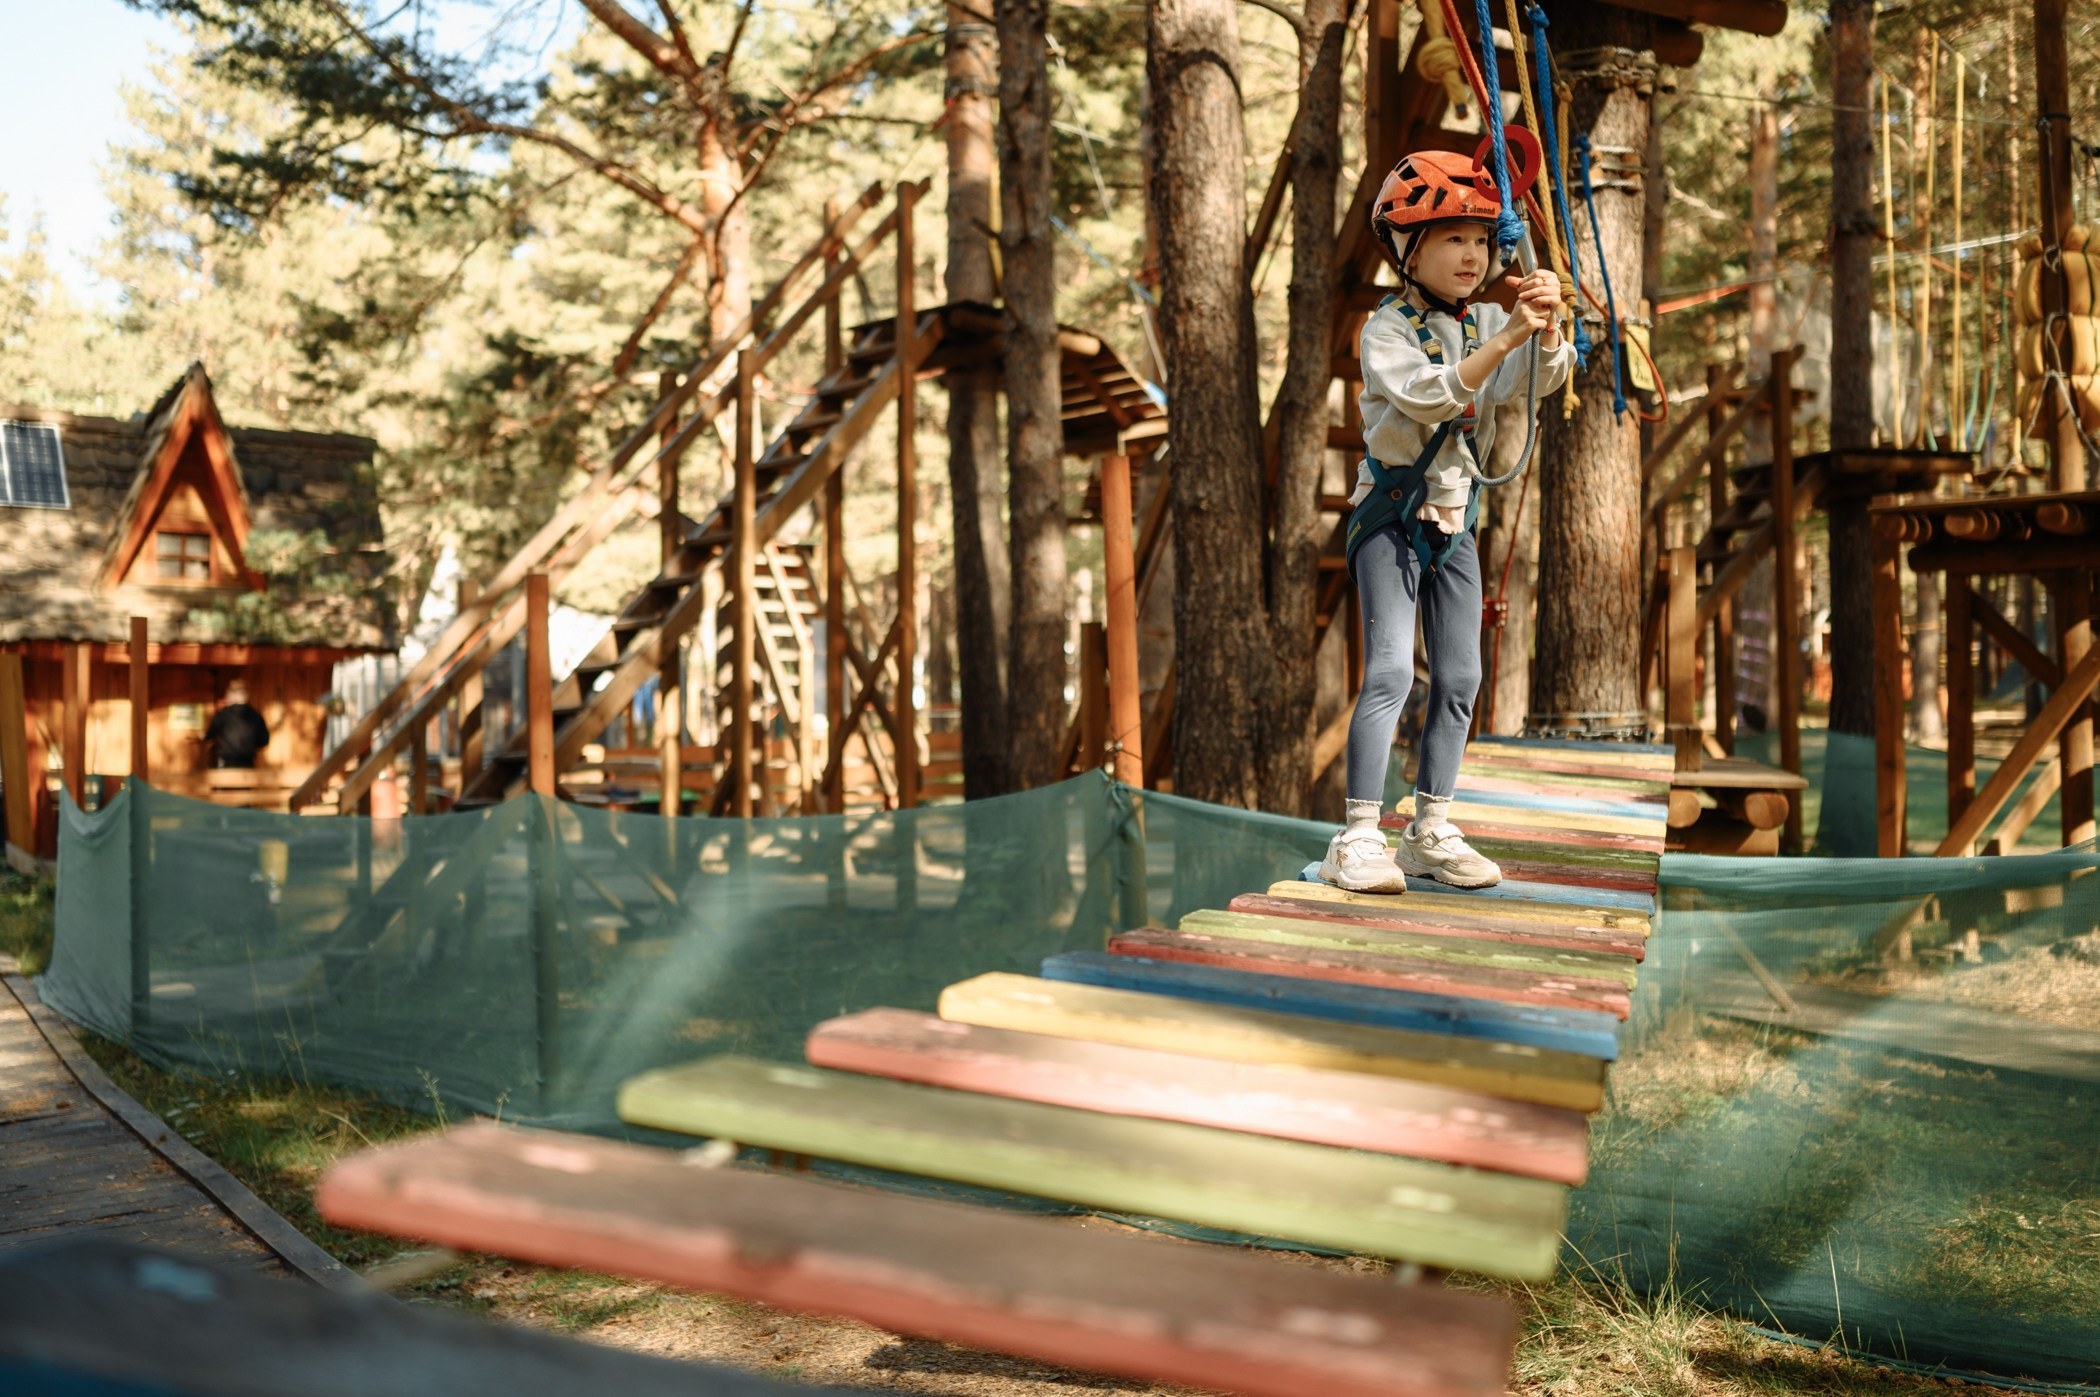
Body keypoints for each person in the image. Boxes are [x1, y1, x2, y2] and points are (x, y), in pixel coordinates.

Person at [1317, 149, 1574, 894]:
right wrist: (1510, 336)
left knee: (1461, 674)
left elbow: (1544, 382)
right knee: (1394, 668)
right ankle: (1360, 834)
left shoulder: (1495, 316)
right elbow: (1433, 395)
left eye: (1479, 238)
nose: (1472, 253)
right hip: (1392, 518)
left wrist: (1548, 327)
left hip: (1455, 520)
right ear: (1409, 249)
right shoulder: (1386, 330)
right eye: (1450, 237)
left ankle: (1431, 826)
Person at [204, 679, 270, 769]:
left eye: (227, 694)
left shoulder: (223, 715)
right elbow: (264, 740)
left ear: (232, 695)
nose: (226, 697)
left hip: (226, 764)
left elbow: (210, 735)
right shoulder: (256, 716)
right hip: (248, 764)